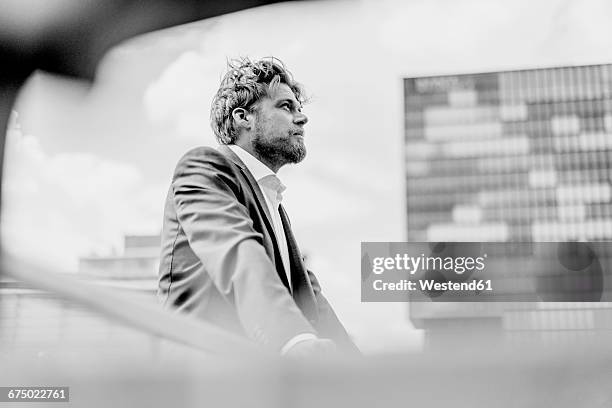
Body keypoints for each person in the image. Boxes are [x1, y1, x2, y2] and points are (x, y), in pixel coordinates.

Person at [158, 57, 359, 357]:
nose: (302, 119)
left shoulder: (274, 206)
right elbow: (239, 253)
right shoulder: (205, 168)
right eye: (286, 107)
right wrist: (292, 339)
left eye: (300, 109)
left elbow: (314, 304)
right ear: (243, 117)